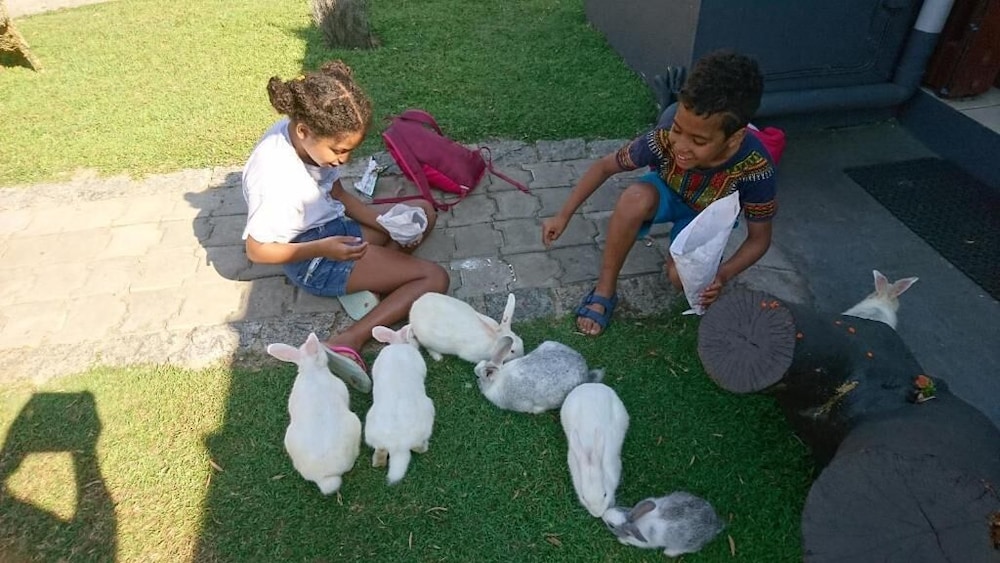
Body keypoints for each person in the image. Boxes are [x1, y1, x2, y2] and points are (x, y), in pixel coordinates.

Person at [241, 61, 449, 389]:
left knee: (422, 213)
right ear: (303, 132)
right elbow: (256, 250)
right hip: (313, 258)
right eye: (338, 151)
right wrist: (323, 249)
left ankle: (373, 285)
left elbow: (337, 193)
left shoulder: (309, 137)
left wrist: (384, 223)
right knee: (435, 278)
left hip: (332, 230)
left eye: (350, 151)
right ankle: (349, 339)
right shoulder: (273, 176)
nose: (344, 160)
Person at [542, 50, 777, 336]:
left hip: (704, 219)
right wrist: (563, 215)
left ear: (735, 138)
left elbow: (759, 240)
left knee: (680, 279)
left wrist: (723, 274)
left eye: (698, 140)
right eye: (678, 129)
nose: (681, 146)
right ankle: (604, 288)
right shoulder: (664, 135)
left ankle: (683, 261)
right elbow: (605, 166)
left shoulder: (756, 168)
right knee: (634, 199)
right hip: (665, 190)